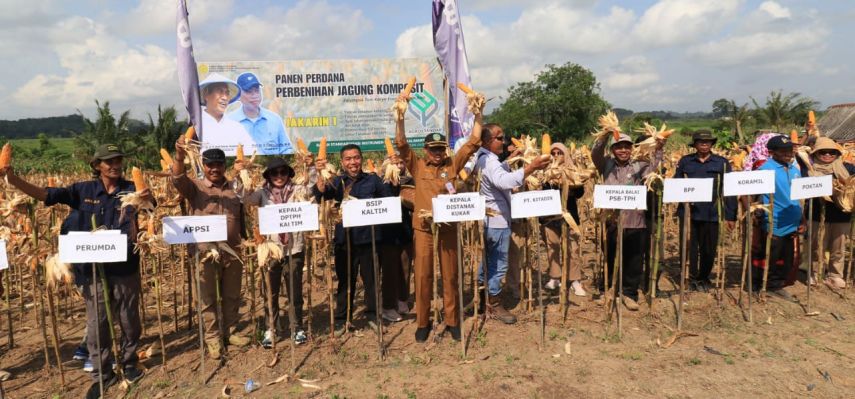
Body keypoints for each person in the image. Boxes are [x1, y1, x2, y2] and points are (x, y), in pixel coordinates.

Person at [1, 144, 147, 397]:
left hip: (125, 266)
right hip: (91, 269)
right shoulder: (81, 190)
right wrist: (12, 179)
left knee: (128, 318)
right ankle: (102, 373)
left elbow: (150, 210)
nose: (114, 165)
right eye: (108, 161)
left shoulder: (132, 189)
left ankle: (130, 362)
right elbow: (45, 194)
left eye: (117, 160)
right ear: (96, 165)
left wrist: (146, 206)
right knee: (98, 320)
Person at [394, 95, 483, 342]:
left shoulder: (453, 165)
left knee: (451, 275)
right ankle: (423, 322)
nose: (437, 153)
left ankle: (453, 320)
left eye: (440, 149)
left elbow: (474, 142)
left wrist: (478, 113)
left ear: (445, 149)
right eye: (433, 149)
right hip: (423, 230)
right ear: (426, 150)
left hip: (447, 229)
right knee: (422, 277)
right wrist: (400, 116)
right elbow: (400, 144)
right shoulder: (418, 166)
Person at [172, 144, 249, 359]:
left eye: (219, 164)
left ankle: (230, 331)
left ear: (225, 166)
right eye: (210, 165)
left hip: (232, 250)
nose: (215, 168)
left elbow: (247, 204)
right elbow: (177, 178)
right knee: (207, 297)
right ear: (203, 166)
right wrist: (179, 156)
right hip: (205, 251)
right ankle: (213, 338)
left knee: (232, 294)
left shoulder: (235, 188)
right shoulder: (195, 187)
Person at [474, 124, 550, 324]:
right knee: (498, 265)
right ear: (487, 141)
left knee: (487, 262)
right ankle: (494, 303)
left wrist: (510, 160)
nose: (504, 140)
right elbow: (504, 182)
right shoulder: (488, 161)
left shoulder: (485, 159)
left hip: (491, 219)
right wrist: (531, 167)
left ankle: (481, 300)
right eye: (499, 137)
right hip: (496, 221)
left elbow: (497, 174)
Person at [313, 144, 391, 332]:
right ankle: (342, 318)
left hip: (369, 239)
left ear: (361, 159)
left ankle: (373, 315)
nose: (353, 162)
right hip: (345, 241)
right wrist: (319, 177)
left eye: (356, 158)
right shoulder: (336, 182)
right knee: (345, 281)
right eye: (348, 159)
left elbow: (388, 199)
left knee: (371, 280)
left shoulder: (373, 181)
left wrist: (395, 179)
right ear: (342, 162)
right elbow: (321, 195)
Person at [241, 157, 313, 347]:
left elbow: (314, 189)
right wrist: (242, 174)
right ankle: (270, 329)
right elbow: (244, 198)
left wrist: (313, 166)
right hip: (271, 250)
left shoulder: (298, 190)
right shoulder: (261, 194)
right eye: (274, 173)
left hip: (294, 248)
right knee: (270, 292)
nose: (279, 176)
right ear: (269, 176)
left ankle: (297, 327)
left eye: (283, 172)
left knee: (294, 291)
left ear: (289, 174)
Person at [592, 132, 665, 311]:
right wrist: (605, 134)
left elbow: (654, 167)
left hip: (635, 220)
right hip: (612, 221)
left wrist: (660, 147)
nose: (623, 150)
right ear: (613, 149)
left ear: (631, 149)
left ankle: (629, 293)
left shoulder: (640, 165)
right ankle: (609, 290)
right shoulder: (606, 164)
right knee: (610, 257)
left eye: (626, 147)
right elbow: (595, 153)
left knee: (634, 259)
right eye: (619, 146)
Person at [673, 130, 737, 292]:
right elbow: (677, 184)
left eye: (708, 142)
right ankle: (690, 277)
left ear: (712, 144)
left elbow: (729, 190)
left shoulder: (722, 163)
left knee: (709, 248)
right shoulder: (686, 162)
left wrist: (731, 215)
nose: (704, 144)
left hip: (712, 212)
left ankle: (704, 277)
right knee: (689, 247)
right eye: (700, 141)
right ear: (694, 144)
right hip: (689, 212)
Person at [752, 135, 805, 301]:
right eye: (783, 150)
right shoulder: (765, 170)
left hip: (792, 221)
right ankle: (760, 285)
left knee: (786, 257)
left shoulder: (795, 170)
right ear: (771, 152)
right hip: (774, 221)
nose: (788, 153)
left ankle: (776, 285)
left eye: (790, 150)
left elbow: (798, 198)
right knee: (769, 255)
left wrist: (802, 219)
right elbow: (753, 196)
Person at [806, 137, 855, 289]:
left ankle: (835, 275)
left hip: (841, 215)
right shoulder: (808, 170)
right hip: (816, 214)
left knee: (838, 248)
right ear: (815, 153)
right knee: (816, 246)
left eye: (832, 152)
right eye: (823, 152)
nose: (827, 155)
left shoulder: (848, 168)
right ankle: (815, 273)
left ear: (837, 154)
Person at [540, 142, 587, 296]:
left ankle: (574, 280)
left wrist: (569, 186)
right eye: (553, 153)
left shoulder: (572, 169)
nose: (556, 156)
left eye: (559, 153)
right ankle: (555, 277)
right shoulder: (544, 172)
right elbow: (541, 192)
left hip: (569, 216)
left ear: (565, 154)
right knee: (552, 247)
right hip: (550, 217)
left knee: (572, 248)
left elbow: (580, 192)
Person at [377, 156, 413, 323]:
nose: (399, 166)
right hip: (387, 233)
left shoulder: (410, 181)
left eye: (401, 162)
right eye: (395, 163)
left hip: (405, 230)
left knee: (405, 267)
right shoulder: (380, 184)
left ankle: (403, 299)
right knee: (390, 270)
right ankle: (388, 306)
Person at [227, 72, 294, 155]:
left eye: (256, 90)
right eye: (249, 91)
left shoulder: (274, 119)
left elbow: (286, 149)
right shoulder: (229, 122)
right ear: (238, 94)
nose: (255, 95)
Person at [199, 73, 253, 156]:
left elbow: (252, 152)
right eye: (220, 92)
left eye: (227, 93)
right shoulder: (196, 126)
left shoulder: (237, 128)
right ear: (206, 95)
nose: (225, 97)